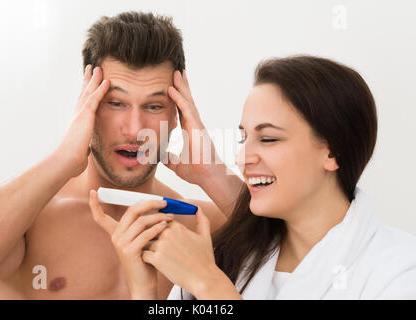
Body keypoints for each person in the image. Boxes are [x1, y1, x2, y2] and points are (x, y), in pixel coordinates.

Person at [91, 55, 416, 299]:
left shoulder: (399, 270)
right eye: (245, 138)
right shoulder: (225, 254)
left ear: (332, 153)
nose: (242, 158)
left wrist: (210, 285)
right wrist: (144, 289)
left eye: (269, 138)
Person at [0, 12, 242, 299]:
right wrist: (62, 161)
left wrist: (213, 174)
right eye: (116, 103)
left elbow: (290, 273)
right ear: (88, 105)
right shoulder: (28, 223)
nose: (135, 129)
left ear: (177, 115)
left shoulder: (202, 226)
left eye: (154, 106)